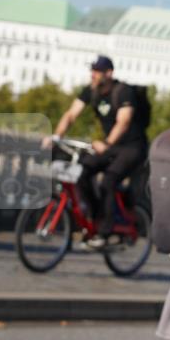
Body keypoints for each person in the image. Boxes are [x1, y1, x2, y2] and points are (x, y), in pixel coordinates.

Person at [45, 55, 148, 249]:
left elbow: (123, 122)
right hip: (111, 147)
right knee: (82, 172)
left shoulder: (123, 92)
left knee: (108, 180)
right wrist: (56, 136)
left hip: (132, 147)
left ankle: (105, 232)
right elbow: (71, 114)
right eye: (92, 71)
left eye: (97, 71)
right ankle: (93, 218)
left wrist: (107, 142)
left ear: (108, 73)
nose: (93, 75)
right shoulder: (91, 91)